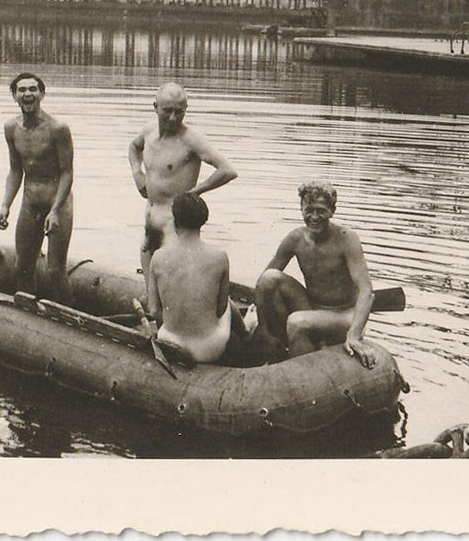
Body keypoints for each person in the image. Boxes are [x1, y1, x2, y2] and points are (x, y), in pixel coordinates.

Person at [254, 180, 378, 368]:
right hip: (312, 307)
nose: (314, 217)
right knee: (269, 278)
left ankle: (305, 372)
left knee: (297, 322)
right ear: (301, 209)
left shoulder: (346, 238)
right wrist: (263, 328)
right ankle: (287, 348)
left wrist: (354, 335)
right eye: (309, 210)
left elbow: (366, 291)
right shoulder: (295, 238)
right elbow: (263, 283)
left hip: (343, 315)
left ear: (332, 211)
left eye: (321, 211)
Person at [128, 82, 237, 286]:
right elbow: (134, 147)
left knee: (174, 281)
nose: (173, 118)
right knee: (150, 283)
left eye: (179, 112)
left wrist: (193, 194)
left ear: (186, 109)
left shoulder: (191, 139)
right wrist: (137, 173)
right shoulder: (149, 132)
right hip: (150, 216)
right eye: (167, 111)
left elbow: (227, 170)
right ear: (155, 107)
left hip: (174, 221)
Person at [0, 72, 74, 302]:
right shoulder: (11, 128)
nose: (27, 94)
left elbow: (67, 173)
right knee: (22, 266)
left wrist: (56, 211)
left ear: (42, 94)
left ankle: (70, 317)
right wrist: (4, 205)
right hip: (30, 204)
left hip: (57, 203)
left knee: (55, 270)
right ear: (14, 96)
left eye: (32, 89)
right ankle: (28, 315)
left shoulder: (57, 129)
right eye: (21, 90)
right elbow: (15, 170)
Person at [146, 193, 238, 363]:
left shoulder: (158, 257)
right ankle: (247, 331)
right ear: (202, 221)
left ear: (175, 221)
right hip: (208, 349)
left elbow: (154, 310)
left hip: (170, 344)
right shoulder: (220, 257)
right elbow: (221, 308)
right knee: (228, 305)